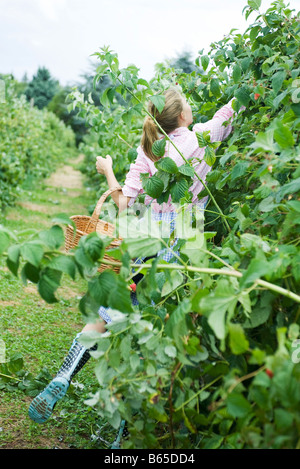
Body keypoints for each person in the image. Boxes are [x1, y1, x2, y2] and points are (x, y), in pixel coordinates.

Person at [28, 87, 237, 425]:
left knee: (111, 312)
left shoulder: (148, 151)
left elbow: (125, 204)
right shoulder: (200, 136)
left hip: (144, 241)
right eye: (187, 104)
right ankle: (127, 429)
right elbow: (230, 110)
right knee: (156, 331)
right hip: (180, 248)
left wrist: (107, 170)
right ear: (183, 116)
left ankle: (63, 376)